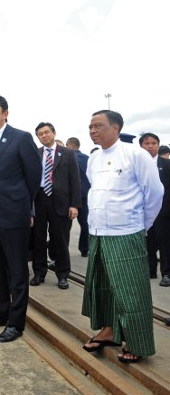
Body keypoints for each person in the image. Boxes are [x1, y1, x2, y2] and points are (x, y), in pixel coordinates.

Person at [82, 110, 163, 364]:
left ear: (115, 128)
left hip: (126, 233)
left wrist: (140, 225)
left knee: (132, 291)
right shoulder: (93, 159)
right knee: (103, 287)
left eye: (98, 126)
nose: (92, 130)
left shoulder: (136, 155)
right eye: (90, 127)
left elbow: (154, 194)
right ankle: (108, 331)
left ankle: (137, 342)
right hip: (98, 233)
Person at [0, 92, 41, 343]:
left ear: (5, 113)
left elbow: (33, 177)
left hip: (14, 215)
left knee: (16, 271)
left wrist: (24, 207)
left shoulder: (21, 138)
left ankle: (16, 322)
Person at [31, 122, 81, 290]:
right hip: (39, 200)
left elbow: (75, 180)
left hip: (60, 201)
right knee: (38, 239)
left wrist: (74, 205)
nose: (44, 136)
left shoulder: (67, 153)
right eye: (40, 134)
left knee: (59, 239)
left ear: (53, 133)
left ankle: (62, 275)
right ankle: (39, 273)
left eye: (46, 132)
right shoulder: (35, 154)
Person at [138, 132, 170, 285]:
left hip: (164, 212)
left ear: (158, 145)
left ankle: (167, 273)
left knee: (165, 243)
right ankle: (150, 272)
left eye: (153, 143)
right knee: (148, 243)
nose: (150, 146)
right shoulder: (136, 164)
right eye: (146, 143)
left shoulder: (167, 164)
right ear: (141, 146)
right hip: (143, 212)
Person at [66, 137, 91, 258]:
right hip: (85, 196)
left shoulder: (67, 158)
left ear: (70, 146)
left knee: (66, 226)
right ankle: (84, 249)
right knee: (85, 224)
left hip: (69, 198)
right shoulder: (88, 159)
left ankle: (63, 250)